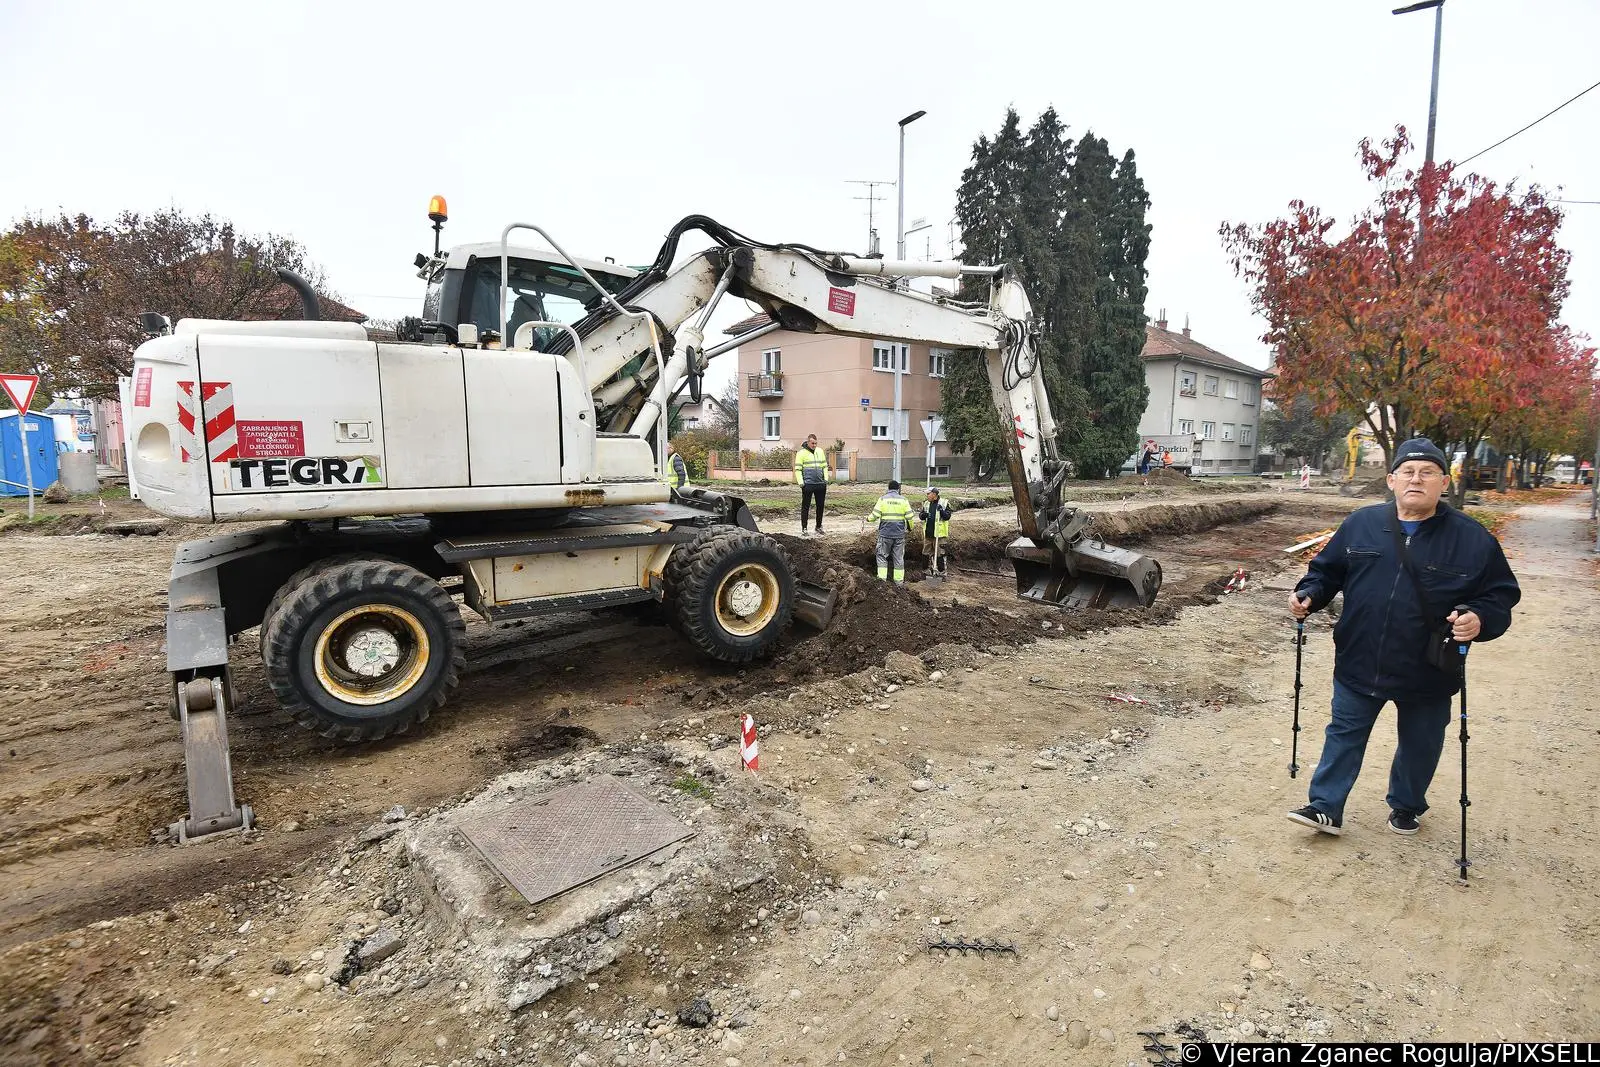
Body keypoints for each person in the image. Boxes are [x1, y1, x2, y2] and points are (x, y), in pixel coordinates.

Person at [1286, 438, 1521, 837]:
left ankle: (1406, 804)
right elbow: (1327, 571)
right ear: (1392, 480)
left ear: (1443, 482)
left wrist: (1478, 618)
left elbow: (1500, 595)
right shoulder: (1361, 524)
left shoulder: (1472, 539)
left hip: (1427, 666)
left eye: (1427, 472)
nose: (1417, 480)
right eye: (1408, 472)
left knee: (1421, 743)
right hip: (1361, 657)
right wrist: (1309, 594)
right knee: (1344, 732)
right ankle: (1325, 807)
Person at [867, 479, 916, 585]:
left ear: (888, 488)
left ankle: (882, 581)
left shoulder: (883, 499)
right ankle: (899, 582)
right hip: (899, 534)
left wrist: (868, 519)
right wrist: (910, 527)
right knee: (898, 558)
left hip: (885, 533)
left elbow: (874, 515)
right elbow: (910, 517)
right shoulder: (904, 500)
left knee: (882, 556)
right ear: (898, 489)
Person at [793, 433, 830, 537]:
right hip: (808, 485)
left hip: (820, 484)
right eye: (812, 443)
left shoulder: (820, 451)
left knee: (820, 506)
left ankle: (818, 526)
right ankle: (804, 528)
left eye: (816, 443)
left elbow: (824, 466)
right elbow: (798, 469)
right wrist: (801, 483)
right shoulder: (801, 453)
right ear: (808, 442)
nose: (814, 445)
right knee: (806, 506)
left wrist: (826, 479)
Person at [917, 487, 952, 576]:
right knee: (925, 553)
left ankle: (941, 573)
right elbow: (921, 515)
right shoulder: (926, 503)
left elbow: (947, 517)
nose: (927, 496)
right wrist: (923, 515)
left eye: (928, 494)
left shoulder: (944, 503)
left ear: (934, 494)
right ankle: (926, 571)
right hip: (928, 534)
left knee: (940, 554)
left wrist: (942, 511)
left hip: (939, 535)